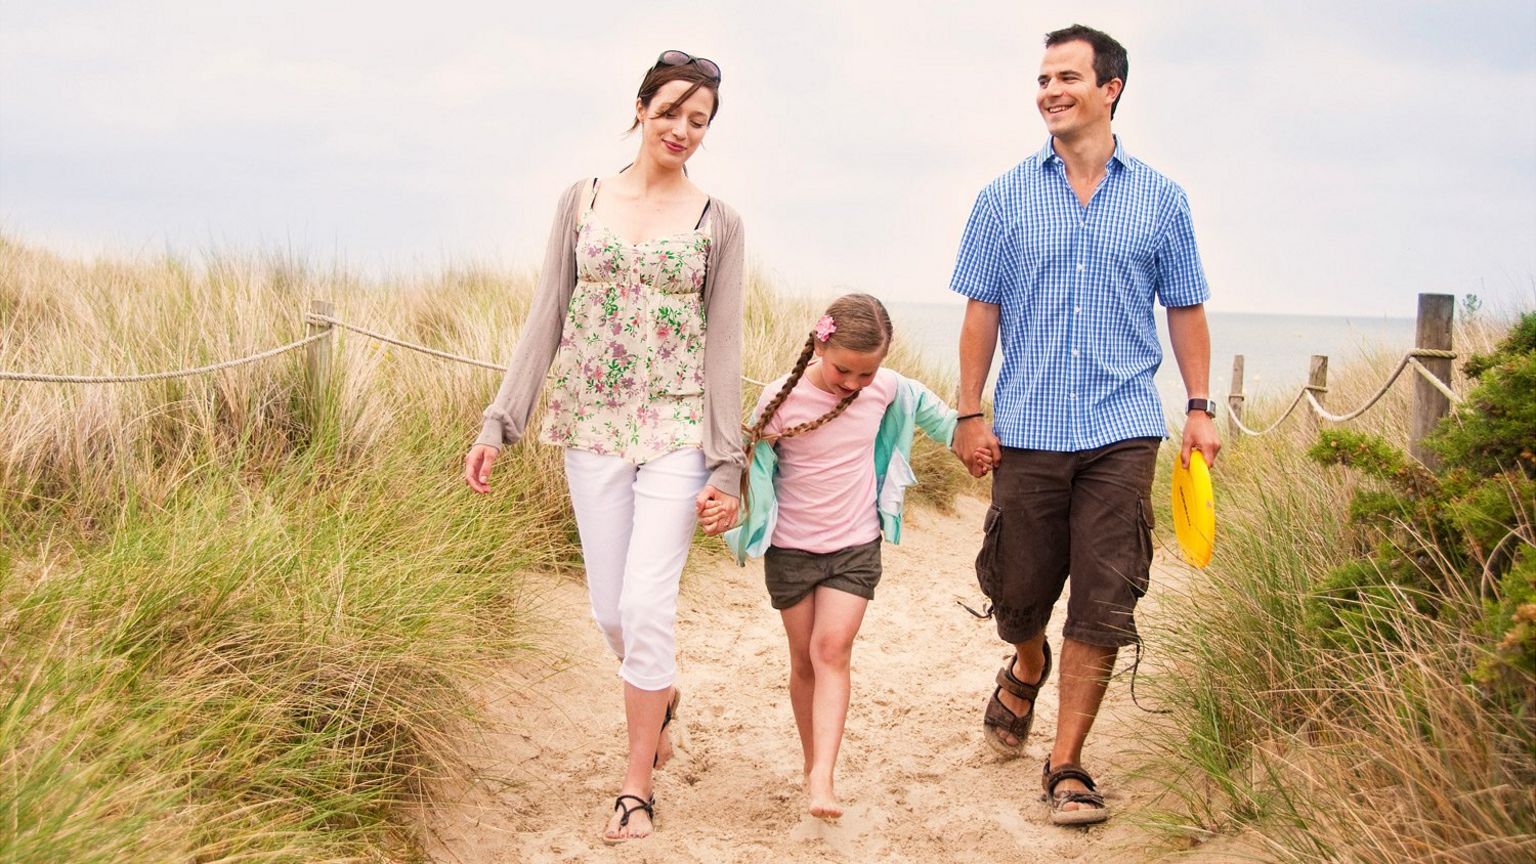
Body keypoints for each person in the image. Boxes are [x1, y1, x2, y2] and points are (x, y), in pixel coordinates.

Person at [463, 50, 745, 845]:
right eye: (671, 113)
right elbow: (545, 314)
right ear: (640, 107)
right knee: (609, 609)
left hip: (677, 427)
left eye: (700, 120)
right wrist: (501, 421)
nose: (683, 130)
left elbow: (723, 345)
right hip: (588, 422)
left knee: (648, 602)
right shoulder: (580, 200)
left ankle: (635, 781)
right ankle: (659, 691)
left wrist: (728, 462)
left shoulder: (718, 221)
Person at [948, 24, 1222, 826]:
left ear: (1111, 88)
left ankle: (1066, 762)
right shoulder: (1002, 197)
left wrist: (1199, 406)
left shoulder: (1163, 199)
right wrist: (971, 411)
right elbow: (981, 311)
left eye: (1067, 76)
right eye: (1042, 78)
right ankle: (1025, 662)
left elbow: (1186, 307)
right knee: (1018, 591)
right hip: (1028, 428)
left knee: (1104, 599)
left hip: (1123, 429)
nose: (1049, 91)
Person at [718, 293, 966, 820]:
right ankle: (813, 766)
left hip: (855, 545)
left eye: (866, 374)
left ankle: (824, 777)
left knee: (831, 650)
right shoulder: (778, 400)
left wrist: (980, 441)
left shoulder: (889, 390)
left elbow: (947, 421)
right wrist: (727, 505)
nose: (853, 384)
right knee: (803, 660)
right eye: (843, 371)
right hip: (790, 550)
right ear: (821, 342)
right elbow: (744, 468)